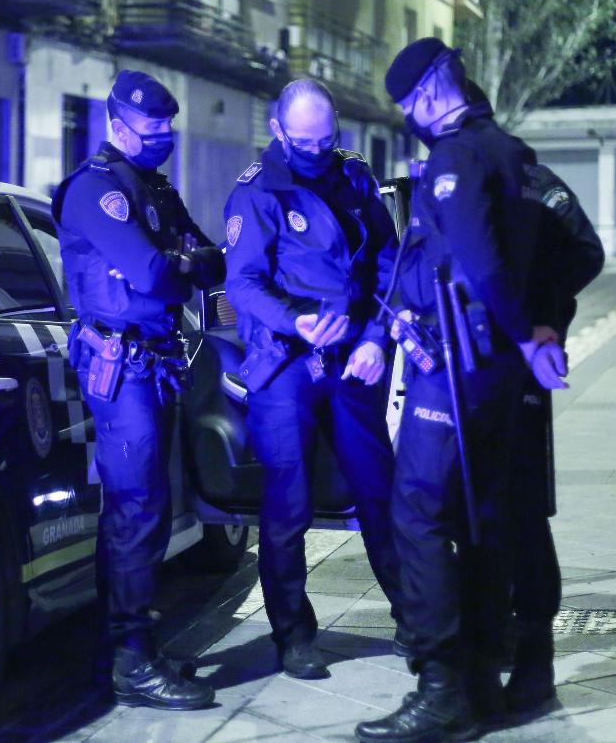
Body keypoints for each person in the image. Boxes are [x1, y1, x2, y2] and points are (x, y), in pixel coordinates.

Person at [355, 38, 557, 743]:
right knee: (480, 518)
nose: (409, 118)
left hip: (456, 364)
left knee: (416, 514)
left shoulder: (457, 157)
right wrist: (533, 330)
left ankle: (440, 687)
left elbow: (480, 259)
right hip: (488, 366)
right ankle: (479, 683)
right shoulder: (509, 152)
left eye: (409, 104)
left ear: (432, 91)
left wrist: (527, 332)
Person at [51, 69, 224, 710]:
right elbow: (153, 274)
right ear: (118, 125)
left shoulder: (154, 188)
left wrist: (182, 262)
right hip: (121, 368)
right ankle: (132, 662)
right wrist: (179, 263)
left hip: (156, 362)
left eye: (168, 126)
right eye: (153, 127)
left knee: (146, 508)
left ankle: (131, 649)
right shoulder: (95, 190)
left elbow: (212, 260)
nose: (164, 136)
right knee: (135, 509)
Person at [223, 78, 404, 680]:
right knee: (287, 501)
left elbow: (387, 263)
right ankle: (294, 635)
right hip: (286, 363)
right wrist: (294, 321)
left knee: (379, 490)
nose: (317, 152)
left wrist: (377, 337)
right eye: (305, 142)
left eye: (327, 140)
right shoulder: (256, 192)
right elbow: (242, 283)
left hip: (353, 357)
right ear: (278, 130)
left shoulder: (353, 176)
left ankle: (416, 618)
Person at [465, 80, 605, 713]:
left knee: (520, 512)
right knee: (477, 514)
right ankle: (489, 638)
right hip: (466, 376)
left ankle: (533, 654)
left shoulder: (532, 182)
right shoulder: (459, 182)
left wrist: (541, 310)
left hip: (517, 373)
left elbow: (586, 253)